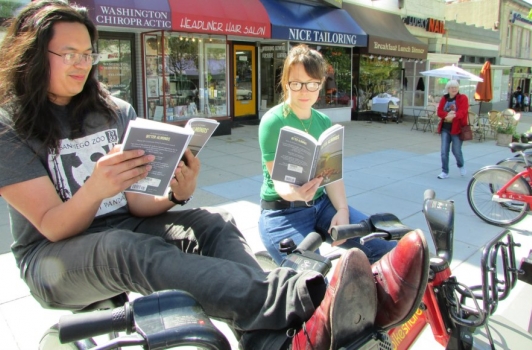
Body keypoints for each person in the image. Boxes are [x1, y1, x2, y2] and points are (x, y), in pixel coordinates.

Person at [0, 2, 427, 349]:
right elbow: (53, 226)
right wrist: (95, 188)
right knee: (121, 246)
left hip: (127, 226)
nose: (82, 64)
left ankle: (266, 340)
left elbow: (136, 204)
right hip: (53, 258)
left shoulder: (113, 111)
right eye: (68, 54)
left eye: (88, 53)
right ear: (35, 55)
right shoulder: (9, 125)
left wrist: (175, 194)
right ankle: (300, 299)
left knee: (213, 223)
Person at [258, 44, 396, 265]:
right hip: (283, 213)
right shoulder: (273, 121)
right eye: (297, 83)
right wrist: (298, 193)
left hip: (322, 204)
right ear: (286, 83)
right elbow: (280, 183)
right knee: (313, 280)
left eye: (312, 84)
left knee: (386, 249)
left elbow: (332, 175)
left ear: (320, 84)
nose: (304, 91)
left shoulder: (322, 121)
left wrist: (342, 210)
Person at [436, 80, 468, 179]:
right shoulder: (444, 98)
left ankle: (461, 165)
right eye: (451, 87)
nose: (454, 89)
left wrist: (452, 116)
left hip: (457, 129)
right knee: (444, 151)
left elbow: (463, 112)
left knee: (456, 150)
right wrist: (447, 115)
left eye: (456, 87)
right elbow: (439, 112)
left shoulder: (463, 98)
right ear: (448, 89)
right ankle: (445, 171)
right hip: (445, 128)